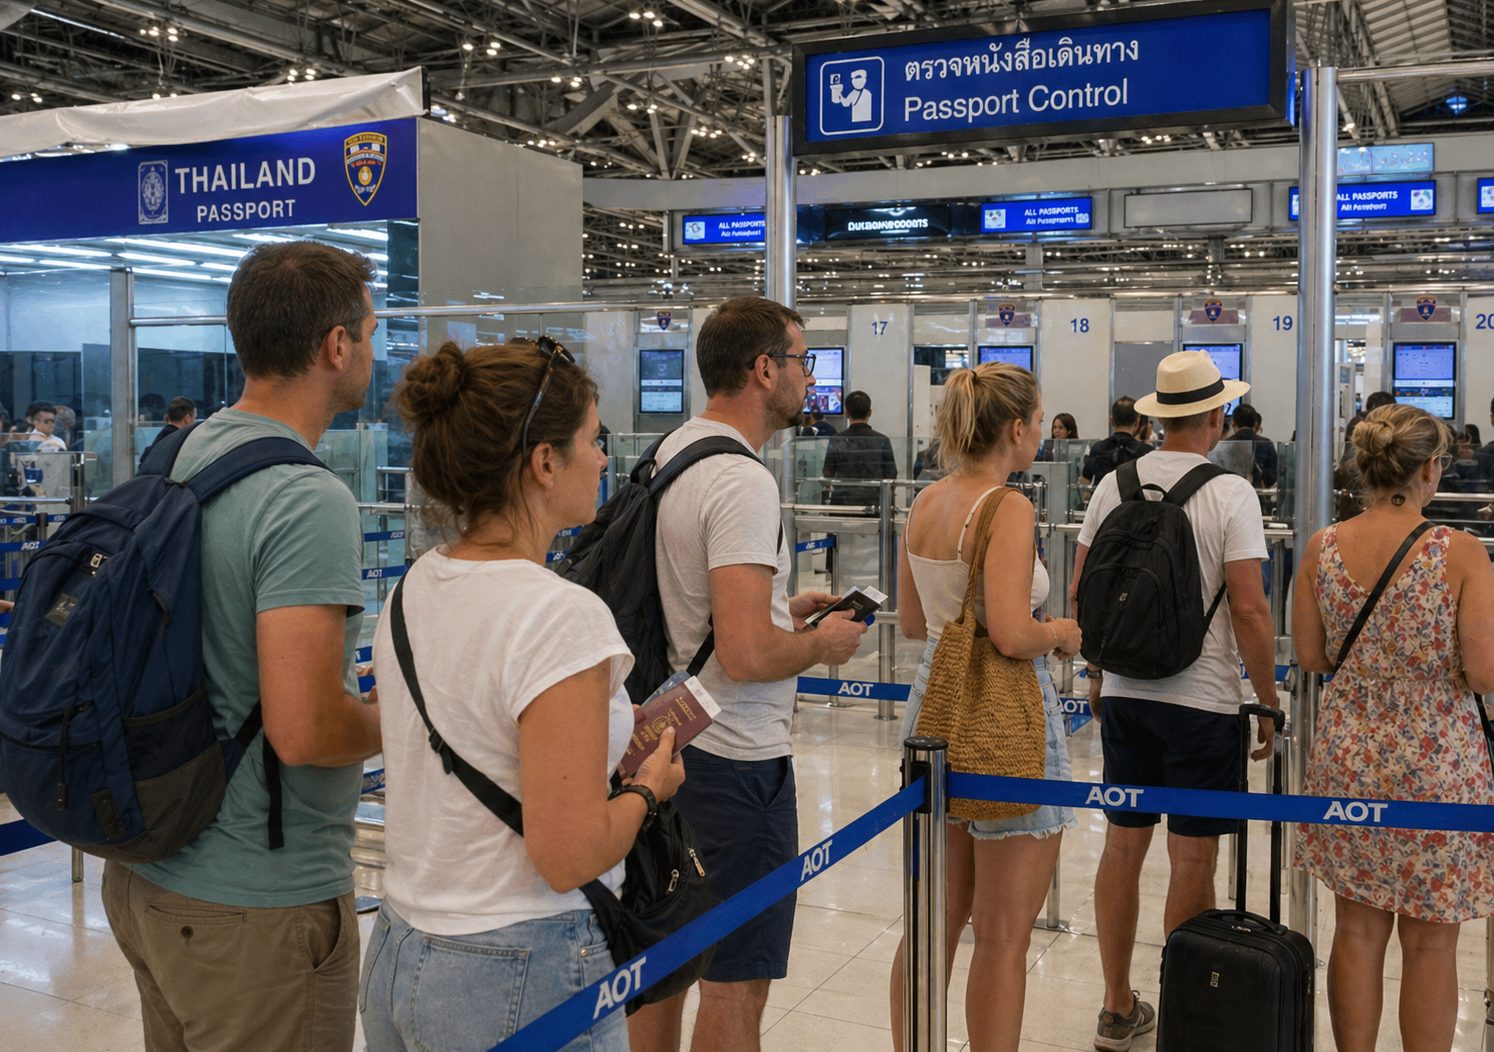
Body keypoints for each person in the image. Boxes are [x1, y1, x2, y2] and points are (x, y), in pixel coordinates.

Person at [361, 341, 684, 1051]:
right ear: (543, 463)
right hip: (521, 966)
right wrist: (647, 790)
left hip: (399, 949)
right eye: (591, 441)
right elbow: (568, 856)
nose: (602, 459)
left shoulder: (413, 589)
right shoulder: (558, 614)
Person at [100, 240, 383, 1052]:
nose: (373, 351)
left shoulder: (181, 454)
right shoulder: (305, 497)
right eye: (370, 332)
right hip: (254, 906)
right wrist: (407, 714)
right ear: (336, 345)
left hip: (151, 875)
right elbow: (305, 731)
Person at [628, 296, 867, 1052]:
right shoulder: (742, 480)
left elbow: (695, 607)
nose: (809, 377)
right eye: (802, 360)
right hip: (735, 761)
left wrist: (780, 610)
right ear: (764, 369)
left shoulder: (673, 451)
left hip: (669, 746)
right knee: (737, 978)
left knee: (665, 965)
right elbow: (745, 654)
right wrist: (821, 644)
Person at [1069, 350, 1279, 1052]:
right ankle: (1186, 1012)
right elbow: (1249, 609)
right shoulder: (1230, 493)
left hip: (1127, 694)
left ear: (1160, 417)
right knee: (1193, 861)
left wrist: (1097, 675)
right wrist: (1267, 698)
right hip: (1203, 702)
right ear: (1215, 416)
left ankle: (1115, 1005)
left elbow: (1084, 593)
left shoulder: (1113, 484)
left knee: (1123, 847)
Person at [887, 363, 1082, 1051]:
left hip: (934, 702)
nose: (1040, 435)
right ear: (1015, 429)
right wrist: (1059, 633)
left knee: (933, 919)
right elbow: (1009, 633)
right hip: (1005, 712)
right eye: (1038, 422)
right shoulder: (1008, 507)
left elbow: (915, 622)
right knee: (1001, 934)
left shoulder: (925, 502)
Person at [1293, 404, 1494, 1052]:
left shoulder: (1322, 547)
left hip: (1349, 755)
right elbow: (1483, 671)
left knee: (1356, 931)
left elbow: (1310, 655)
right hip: (1440, 764)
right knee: (1432, 941)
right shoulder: (1461, 553)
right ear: (1430, 469)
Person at [822, 389, 897, 506]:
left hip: (842, 503)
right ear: (869, 413)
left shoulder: (836, 440)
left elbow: (827, 474)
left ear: (846, 413)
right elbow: (891, 475)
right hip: (874, 503)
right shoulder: (882, 440)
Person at [1080, 397, 1149, 485]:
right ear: (1137, 422)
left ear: (1112, 420)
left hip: (1103, 493)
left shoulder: (1098, 448)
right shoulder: (1146, 451)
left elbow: (1084, 482)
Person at [1223, 403, 1279, 488]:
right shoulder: (1266, 443)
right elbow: (1274, 475)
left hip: (1232, 490)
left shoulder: (1225, 444)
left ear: (1233, 424)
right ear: (1255, 424)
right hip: (1258, 492)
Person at [139, 397, 199, 466]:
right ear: (187, 419)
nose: (195, 422)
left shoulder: (162, 437)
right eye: (195, 418)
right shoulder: (181, 442)